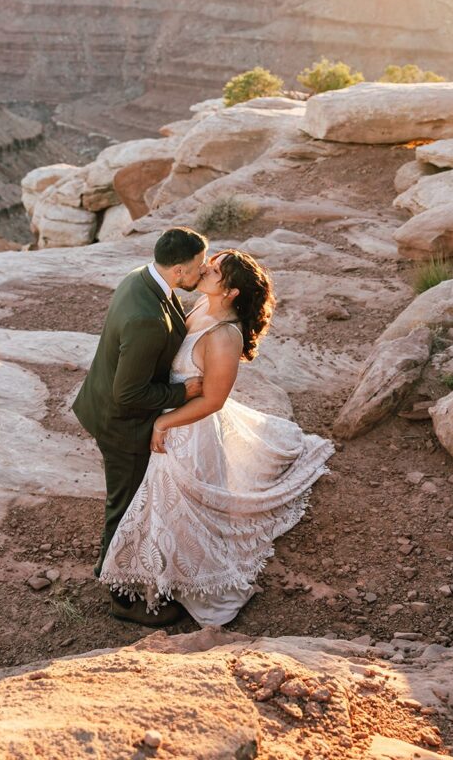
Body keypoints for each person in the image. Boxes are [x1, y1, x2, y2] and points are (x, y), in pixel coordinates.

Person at [98, 249, 335, 627]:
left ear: (232, 292)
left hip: (189, 428)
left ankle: (190, 576)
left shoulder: (225, 335)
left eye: (217, 268)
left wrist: (164, 423)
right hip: (173, 411)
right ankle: (162, 568)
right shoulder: (201, 307)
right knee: (158, 502)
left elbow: (213, 400)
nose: (206, 267)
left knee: (179, 505)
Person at [72, 226, 208, 626]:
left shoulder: (141, 277)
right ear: (180, 270)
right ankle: (119, 594)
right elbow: (128, 395)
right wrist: (183, 394)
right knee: (125, 504)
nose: (202, 273)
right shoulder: (146, 318)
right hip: (121, 425)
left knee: (131, 500)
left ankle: (129, 572)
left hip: (105, 405)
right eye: (199, 267)